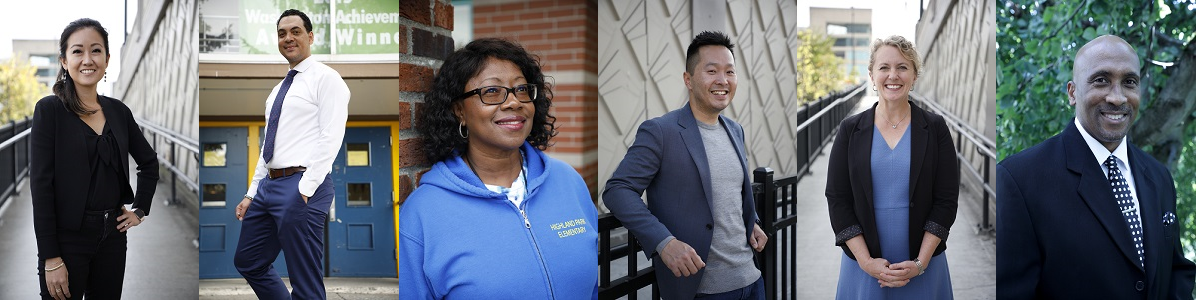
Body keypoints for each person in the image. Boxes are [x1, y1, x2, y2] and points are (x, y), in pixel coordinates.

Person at [996, 35, 1196, 299]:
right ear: (1072, 92)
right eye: (1101, 80)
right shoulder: (1019, 180)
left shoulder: (1159, 176)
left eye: (1129, 82)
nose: (1117, 97)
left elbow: (1175, 273)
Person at [399, 38, 599, 299]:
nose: (514, 102)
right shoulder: (422, 213)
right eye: (492, 91)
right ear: (459, 110)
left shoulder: (568, 181)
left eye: (522, 90)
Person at [603, 31, 768, 300]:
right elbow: (617, 190)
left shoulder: (735, 130)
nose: (722, 80)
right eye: (712, 70)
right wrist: (663, 242)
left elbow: (730, 195)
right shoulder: (661, 131)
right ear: (688, 80)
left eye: (730, 72)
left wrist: (751, 221)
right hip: (701, 290)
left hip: (751, 280)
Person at [31, 18, 160, 300]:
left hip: (113, 236)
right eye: (77, 51)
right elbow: (41, 188)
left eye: (96, 50)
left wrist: (140, 210)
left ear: (107, 59)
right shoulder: (49, 111)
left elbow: (149, 163)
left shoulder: (118, 111)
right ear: (64, 61)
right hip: (67, 239)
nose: (87, 59)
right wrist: (51, 258)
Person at [824, 35, 958, 299]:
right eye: (884, 67)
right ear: (872, 75)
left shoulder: (935, 128)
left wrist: (920, 263)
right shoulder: (850, 130)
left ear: (914, 76)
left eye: (902, 67)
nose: (892, 75)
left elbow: (946, 199)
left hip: (924, 266)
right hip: (863, 268)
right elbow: (837, 199)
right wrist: (865, 262)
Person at [230, 9, 350, 299]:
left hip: (302, 184)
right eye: (282, 33)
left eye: (295, 31)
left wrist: (306, 188)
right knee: (248, 260)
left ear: (310, 36)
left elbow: (331, 136)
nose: (288, 38)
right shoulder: (277, 91)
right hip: (269, 186)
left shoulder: (327, 79)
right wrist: (251, 193)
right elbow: (268, 147)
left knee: (305, 280)